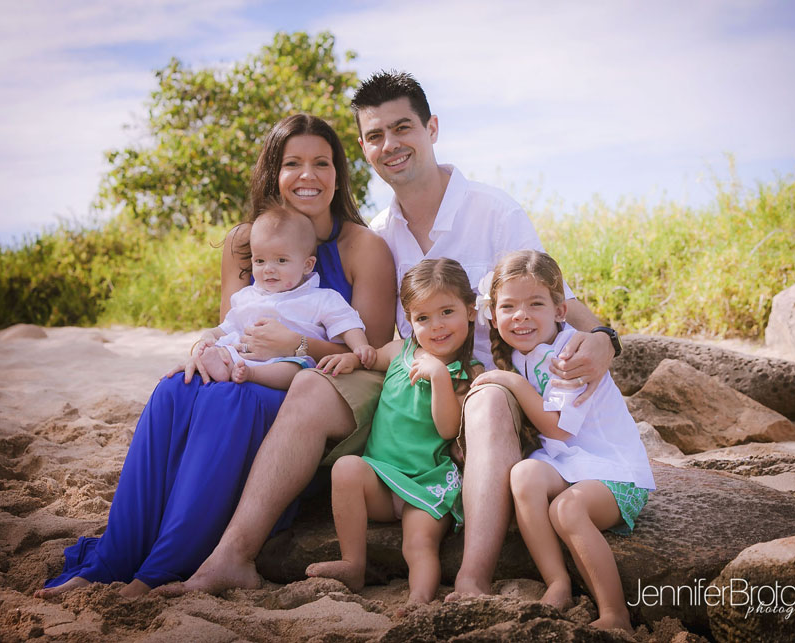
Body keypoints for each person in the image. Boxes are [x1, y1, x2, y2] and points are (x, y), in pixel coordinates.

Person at [168, 71, 615, 598]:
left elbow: (555, 295)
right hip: (405, 380)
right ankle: (232, 556)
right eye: (376, 135)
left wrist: (603, 336)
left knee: (488, 400)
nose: (391, 145)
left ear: (431, 128)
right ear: (364, 148)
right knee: (312, 386)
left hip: (484, 382)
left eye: (403, 128)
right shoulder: (379, 234)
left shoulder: (494, 212)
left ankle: (472, 579)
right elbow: (375, 341)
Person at [34, 114, 395, 599]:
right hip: (248, 367)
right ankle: (114, 558)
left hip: (314, 384)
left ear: (338, 173)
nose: (307, 175)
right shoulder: (243, 242)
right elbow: (233, 325)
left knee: (230, 401)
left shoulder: (363, 246)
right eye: (293, 163)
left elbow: (367, 358)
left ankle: (165, 566)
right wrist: (201, 350)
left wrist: (296, 344)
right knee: (173, 389)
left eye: (322, 163)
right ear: (274, 172)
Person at [474, 250, 654, 632]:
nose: (520, 315)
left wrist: (511, 382)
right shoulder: (520, 353)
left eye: (535, 304)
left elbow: (558, 429)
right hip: (569, 464)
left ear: (560, 310)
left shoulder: (570, 352)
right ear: (492, 314)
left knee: (566, 511)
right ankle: (557, 582)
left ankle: (614, 613)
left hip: (614, 471)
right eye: (508, 306)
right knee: (523, 476)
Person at [306, 258, 483, 603]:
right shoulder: (400, 352)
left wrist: (439, 375)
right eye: (423, 318)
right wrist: (352, 359)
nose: (437, 326)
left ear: (471, 311)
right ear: (409, 321)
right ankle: (353, 563)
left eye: (447, 312)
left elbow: (448, 429)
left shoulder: (469, 374)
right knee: (346, 468)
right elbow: (370, 357)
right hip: (382, 480)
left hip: (427, 484)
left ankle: (418, 599)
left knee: (418, 545)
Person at [198, 201, 375, 387]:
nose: (268, 269)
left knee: (296, 369)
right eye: (260, 261)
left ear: (307, 265)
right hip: (245, 356)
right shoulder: (247, 297)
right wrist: (209, 336)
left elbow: (346, 323)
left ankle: (251, 374)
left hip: (289, 360)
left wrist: (360, 346)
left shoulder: (322, 298)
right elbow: (228, 326)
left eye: (281, 260)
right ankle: (223, 366)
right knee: (225, 351)